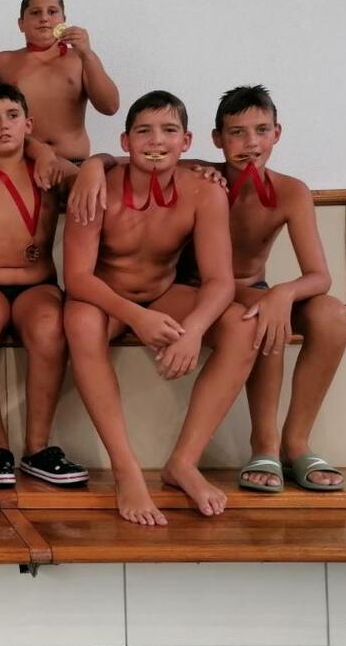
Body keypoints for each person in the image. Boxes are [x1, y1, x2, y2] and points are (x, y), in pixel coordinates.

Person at [62, 90, 258, 526]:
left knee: (242, 325)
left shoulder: (204, 191)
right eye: (144, 131)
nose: (156, 141)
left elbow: (220, 280)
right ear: (125, 141)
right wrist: (136, 317)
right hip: (107, 299)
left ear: (186, 142)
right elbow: (77, 278)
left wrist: (194, 330)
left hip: (165, 293)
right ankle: (126, 469)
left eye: (169, 130)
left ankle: (183, 463)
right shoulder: (95, 187)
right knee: (79, 320)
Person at [209, 85, 346, 492]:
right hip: (205, 292)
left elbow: (319, 276)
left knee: (331, 313)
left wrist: (283, 292)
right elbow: (126, 159)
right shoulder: (201, 176)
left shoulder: (291, 191)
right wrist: (95, 165)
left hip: (257, 289)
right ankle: (264, 443)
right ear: (217, 139)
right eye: (236, 133)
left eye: (261, 130)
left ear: (277, 133)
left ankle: (296, 442)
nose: (250, 143)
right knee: (265, 313)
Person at [0, 84, 88, 487]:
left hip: (38, 285)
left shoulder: (51, 169)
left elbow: (92, 178)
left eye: (12, 116)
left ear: (28, 124)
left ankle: (37, 447)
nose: (4, 126)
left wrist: (54, 156)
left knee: (51, 329)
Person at [0, 0, 120, 162]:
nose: (44, 18)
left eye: (52, 12)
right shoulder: (3, 62)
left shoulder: (81, 59)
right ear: (21, 24)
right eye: (35, 12)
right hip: (23, 164)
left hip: (75, 163)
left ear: (63, 20)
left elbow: (110, 107)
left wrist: (87, 54)